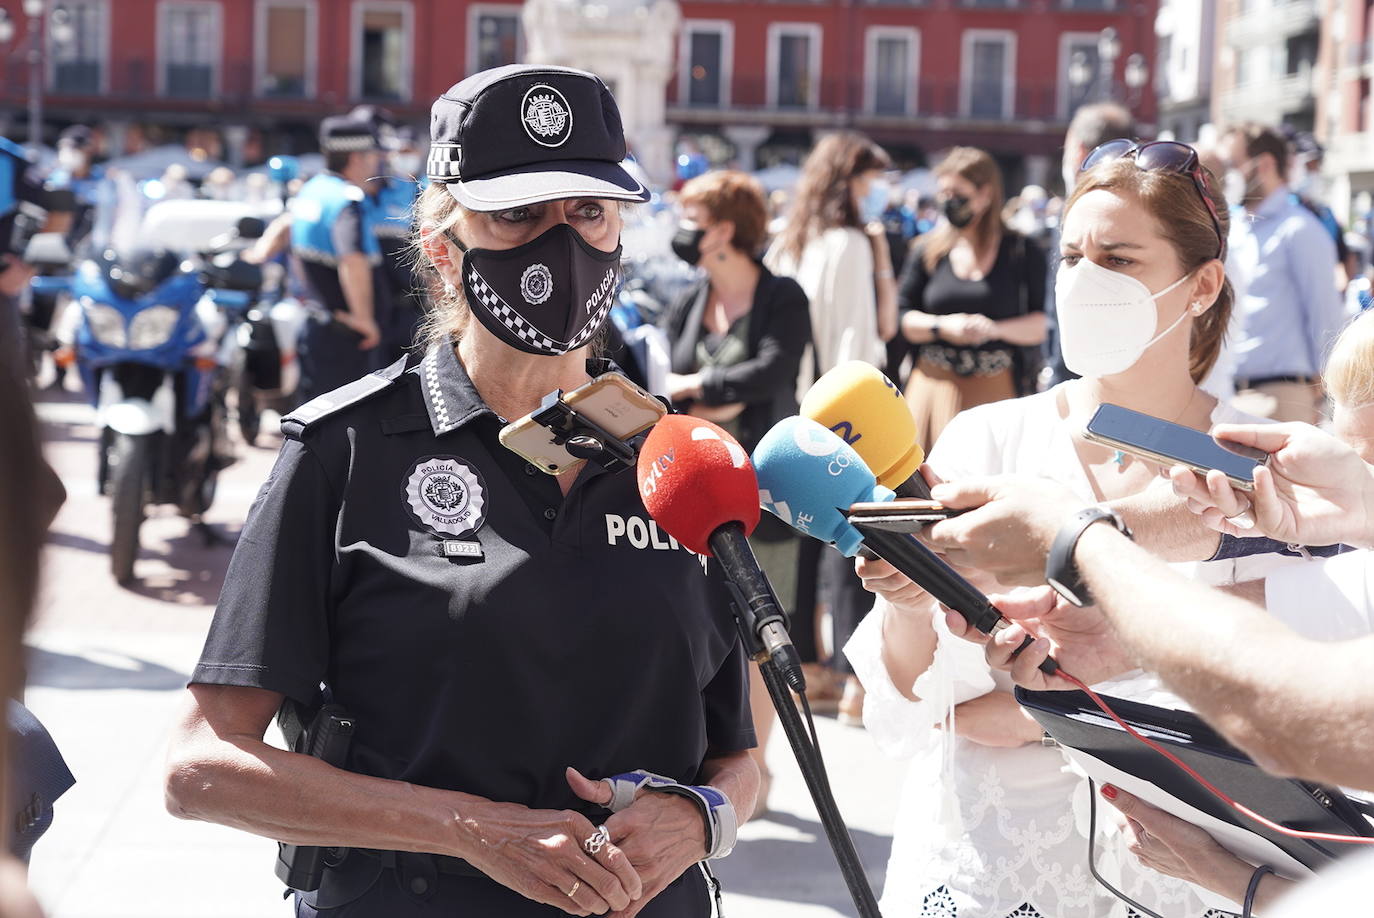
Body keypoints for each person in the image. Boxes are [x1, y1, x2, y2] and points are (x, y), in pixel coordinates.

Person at [164, 64, 758, 918]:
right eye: (518, 212)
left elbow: (736, 755)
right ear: (443, 247)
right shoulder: (345, 452)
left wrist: (702, 821)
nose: (563, 242)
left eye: (588, 212)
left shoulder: (680, 464)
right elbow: (198, 767)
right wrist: (468, 828)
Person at [846, 138, 1260, 918]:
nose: (1084, 280)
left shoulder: (1248, 463)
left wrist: (1040, 714)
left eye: (1120, 259)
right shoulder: (986, 442)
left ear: (1202, 285)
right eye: (1072, 255)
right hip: (987, 871)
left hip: (1183, 874)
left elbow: (1269, 698)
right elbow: (918, 699)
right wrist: (906, 602)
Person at [660, 169, 811, 814]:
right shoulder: (690, 300)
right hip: (698, 490)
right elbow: (668, 373)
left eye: (692, 214)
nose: (682, 228)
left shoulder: (783, 296)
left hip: (765, 490)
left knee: (760, 633)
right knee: (701, 627)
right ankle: (714, 761)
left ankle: (756, 768)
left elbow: (775, 368)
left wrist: (699, 390)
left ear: (723, 228)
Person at [764, 132, 898, 720]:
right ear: (850, 179)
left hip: (787, 413)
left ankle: (811, 668)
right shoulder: (847, 242)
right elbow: (860, 341)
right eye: (869, 180)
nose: (874, 191)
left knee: (802, 544)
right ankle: (852, 679)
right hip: (836, 413)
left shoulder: (794, 240)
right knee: (855, 538)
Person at [897, 146, 1048, 452]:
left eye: (957, 193)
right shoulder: (927, 250)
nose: (947, 201)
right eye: (943, 192)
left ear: (985, 194)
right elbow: (902, 316)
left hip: (995, 389)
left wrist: (993, 330)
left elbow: (1041, 323)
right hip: (930, 384)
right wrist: (943, 326)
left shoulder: (1022, 251)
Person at [1218, 123, 1344, 424]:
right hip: (1232, 393)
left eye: (1233, 165)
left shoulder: (1299, 230)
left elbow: (1324, 315)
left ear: (1264, 164)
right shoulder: (1238, 227)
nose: (1226, 175)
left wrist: (1323, 387)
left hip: (1281, 396)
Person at [289, 114, 386, 402]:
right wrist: (364, 318)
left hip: (318, 321)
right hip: (345, 335)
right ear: (357, 157)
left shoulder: (311, 190)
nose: (376, 163)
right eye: (372, 156)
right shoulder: (347, 199)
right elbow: (352, 260)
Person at [1043, 103, 1135, 388]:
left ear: (1079, 150)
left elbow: (1068, 302)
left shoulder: (1080, 212)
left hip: (1080, 379)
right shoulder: (1139, 211)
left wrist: (1054, 373)